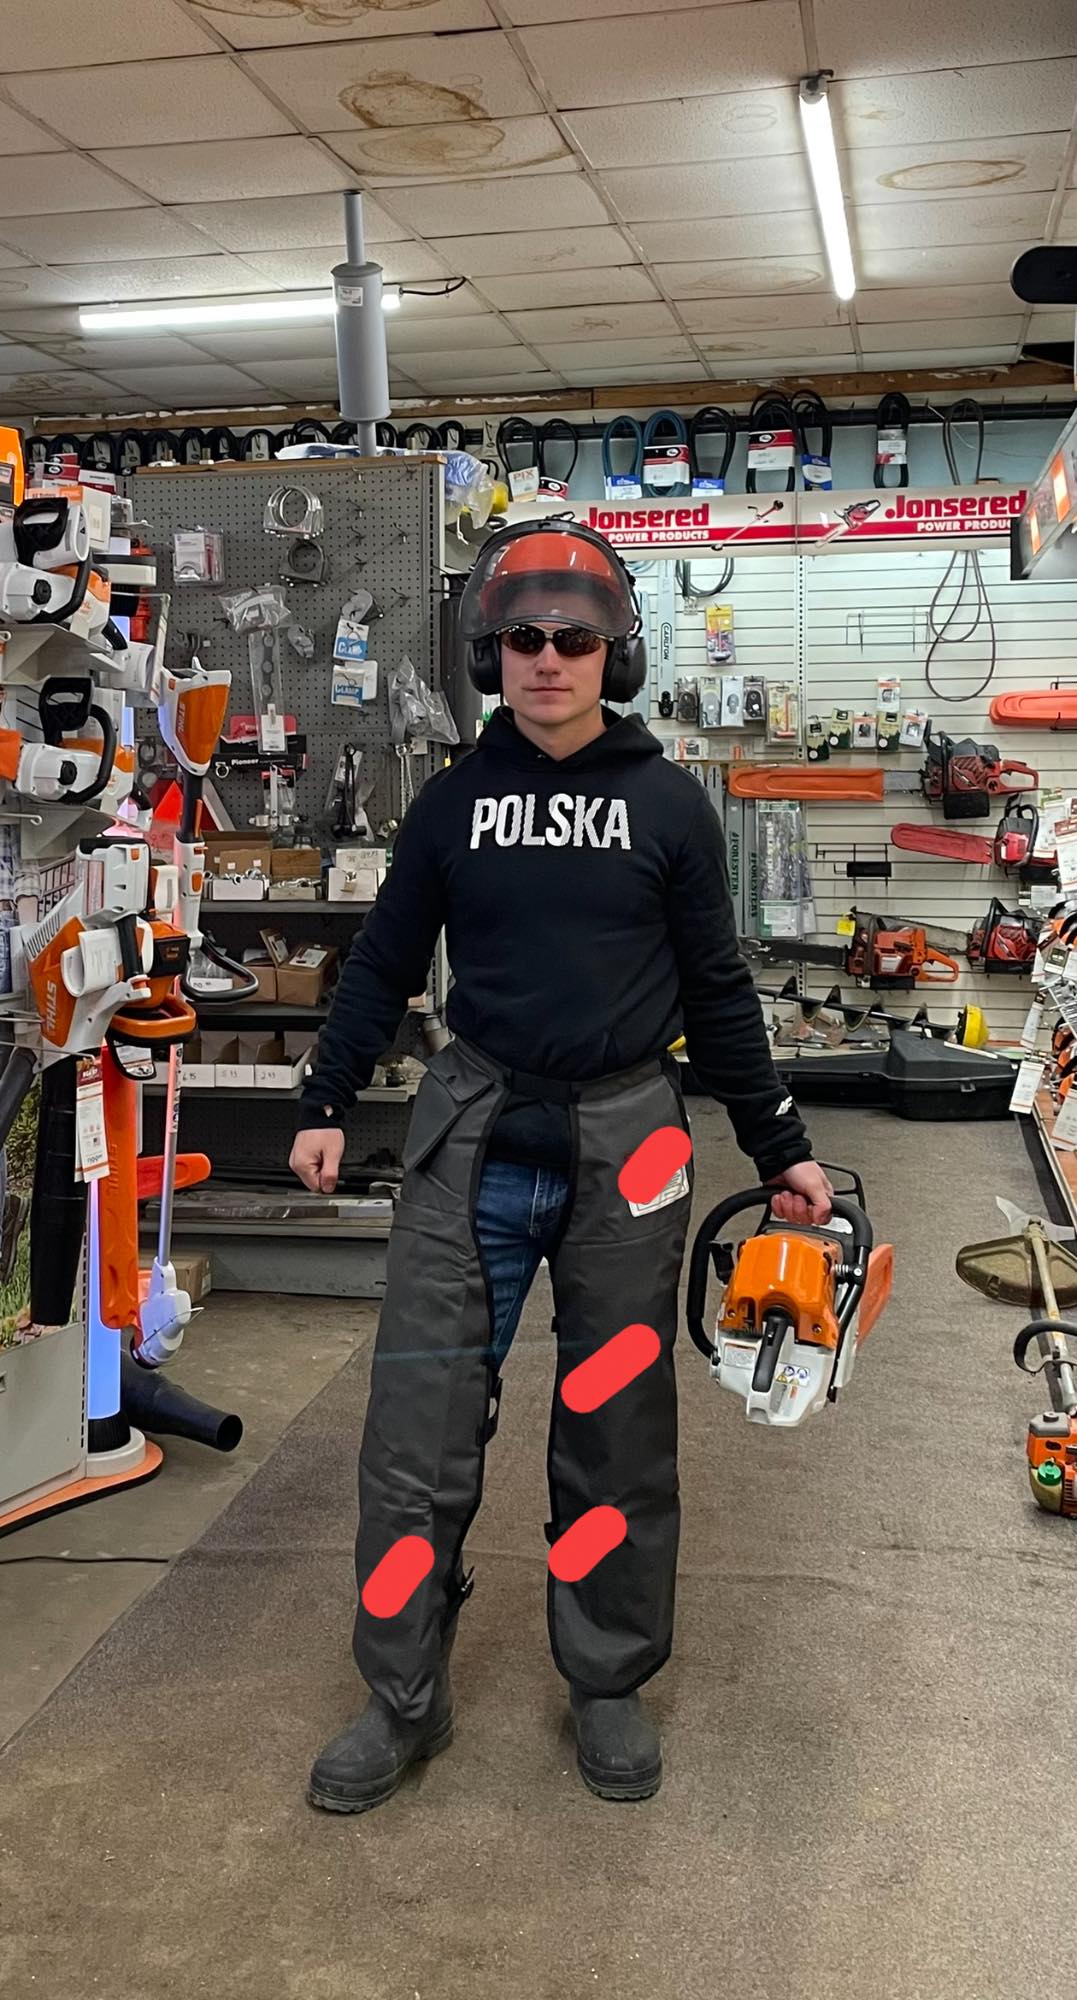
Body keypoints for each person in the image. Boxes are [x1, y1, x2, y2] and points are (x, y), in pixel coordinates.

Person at [291, 519, 831, 1815]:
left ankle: (604, 1679)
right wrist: (324, 1098)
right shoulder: (450, 805)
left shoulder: (670, 807)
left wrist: (780, 1145)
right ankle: (401, 1697)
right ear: (492, 655)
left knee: (614, 1432)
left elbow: (718, 989)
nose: (548, 659)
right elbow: (381, 961)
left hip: (628, 1143)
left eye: (574, 640)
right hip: (472, 1134)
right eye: (524, 638)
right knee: (415, 1437)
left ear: (614, 656)